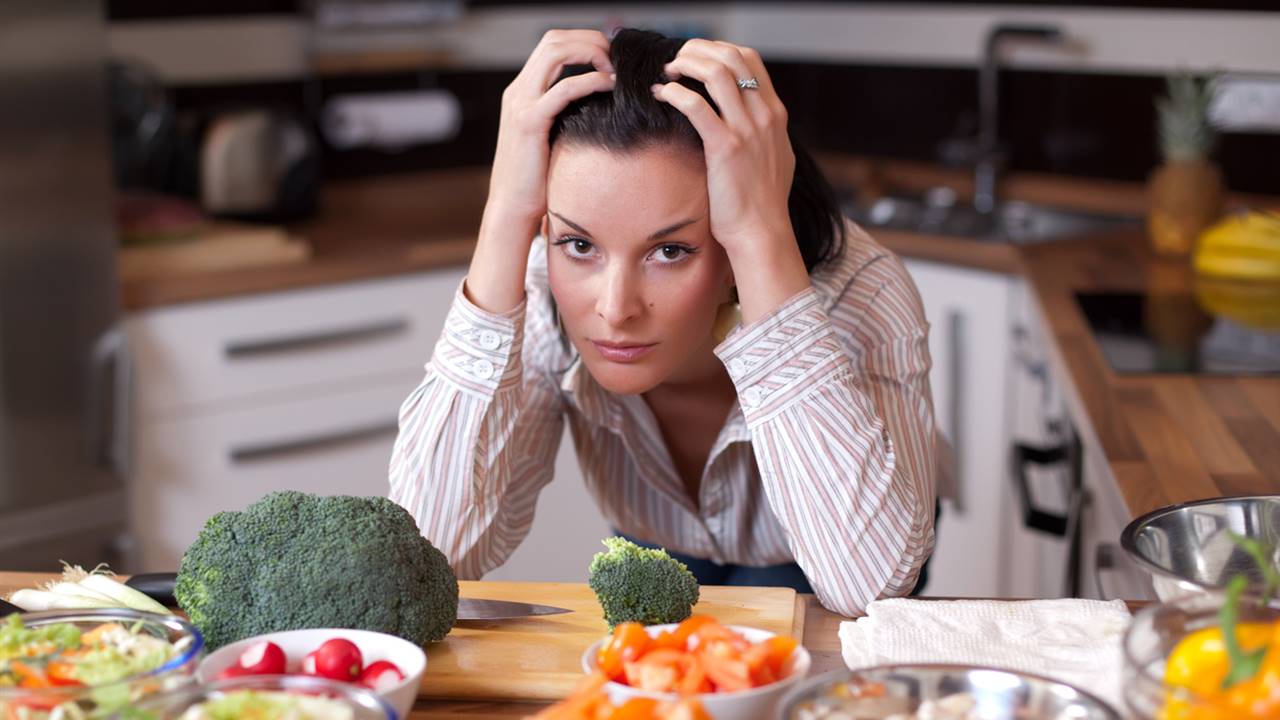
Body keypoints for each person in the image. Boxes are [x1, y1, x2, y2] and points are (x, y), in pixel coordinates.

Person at [389, 28, 937, 616]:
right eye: (578, 243)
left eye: (670, 251)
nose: (614, 307)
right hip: (655, 542)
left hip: (836, 553)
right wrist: (504, 214)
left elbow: (869, 587)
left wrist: (759, 236)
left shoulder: (860, 293)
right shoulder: (541, 284)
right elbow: (430, 553)